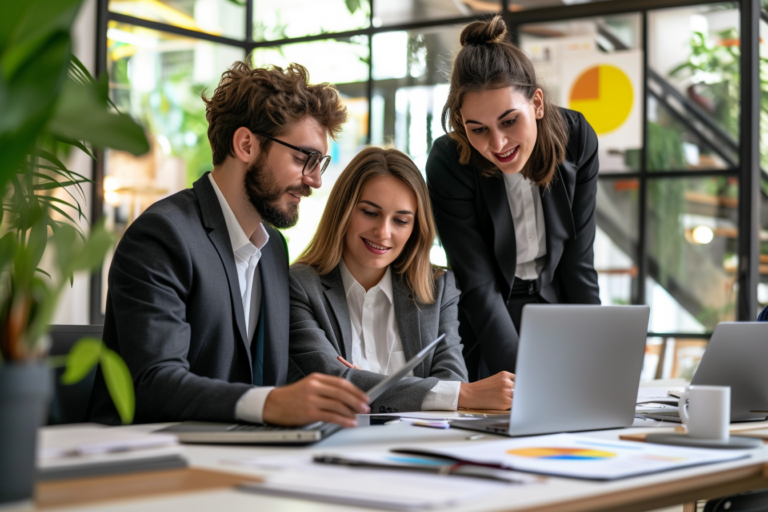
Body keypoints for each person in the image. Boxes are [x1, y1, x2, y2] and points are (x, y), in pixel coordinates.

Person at [87, 61, 371, 427]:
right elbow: (156, 383)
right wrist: (271, 404)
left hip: (239, 455)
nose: (315, 181)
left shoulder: (273, 250)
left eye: (320, 164)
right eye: (304, 159)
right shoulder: (162, 236)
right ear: (246, 144)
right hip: (147, 462)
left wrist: (327, 381)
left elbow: (263, 375)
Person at [426, 16, 600, 380]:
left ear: (537, 103)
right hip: (486, 322)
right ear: (461, 122)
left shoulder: (577, 138)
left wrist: (593, 353)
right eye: (478, 129)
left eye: (509, 121)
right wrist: (527, 380)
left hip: (556, 307)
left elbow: (578, 261)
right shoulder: (449, 161)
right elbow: (477, 283)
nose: (498, 144)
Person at [289, 147, 514, 413]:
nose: (383, 232)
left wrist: (361, 382)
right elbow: (331, 383)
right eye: (370, 213)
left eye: (401, 220)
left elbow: (452, 383)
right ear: (344, 211)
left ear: (415, 228)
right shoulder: (299, 286)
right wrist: (447, 392)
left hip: (420, 445)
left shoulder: (438, 289)